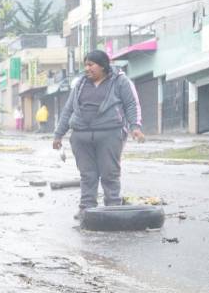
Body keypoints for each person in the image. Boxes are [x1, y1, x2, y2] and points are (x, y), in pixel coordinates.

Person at [52, 49, 145, 219]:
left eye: (90, 65)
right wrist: (58, 135)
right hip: (81, 136)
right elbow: (68, 109)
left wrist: (135, 127)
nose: (86, 69)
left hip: (110, 134)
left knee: (110, 173)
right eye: (85, 65)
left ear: (102, 65)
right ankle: (86, 209)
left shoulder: (120, 81)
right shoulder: (80, 84)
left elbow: (131, 104)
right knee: (87, 174)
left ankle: (113, 207)